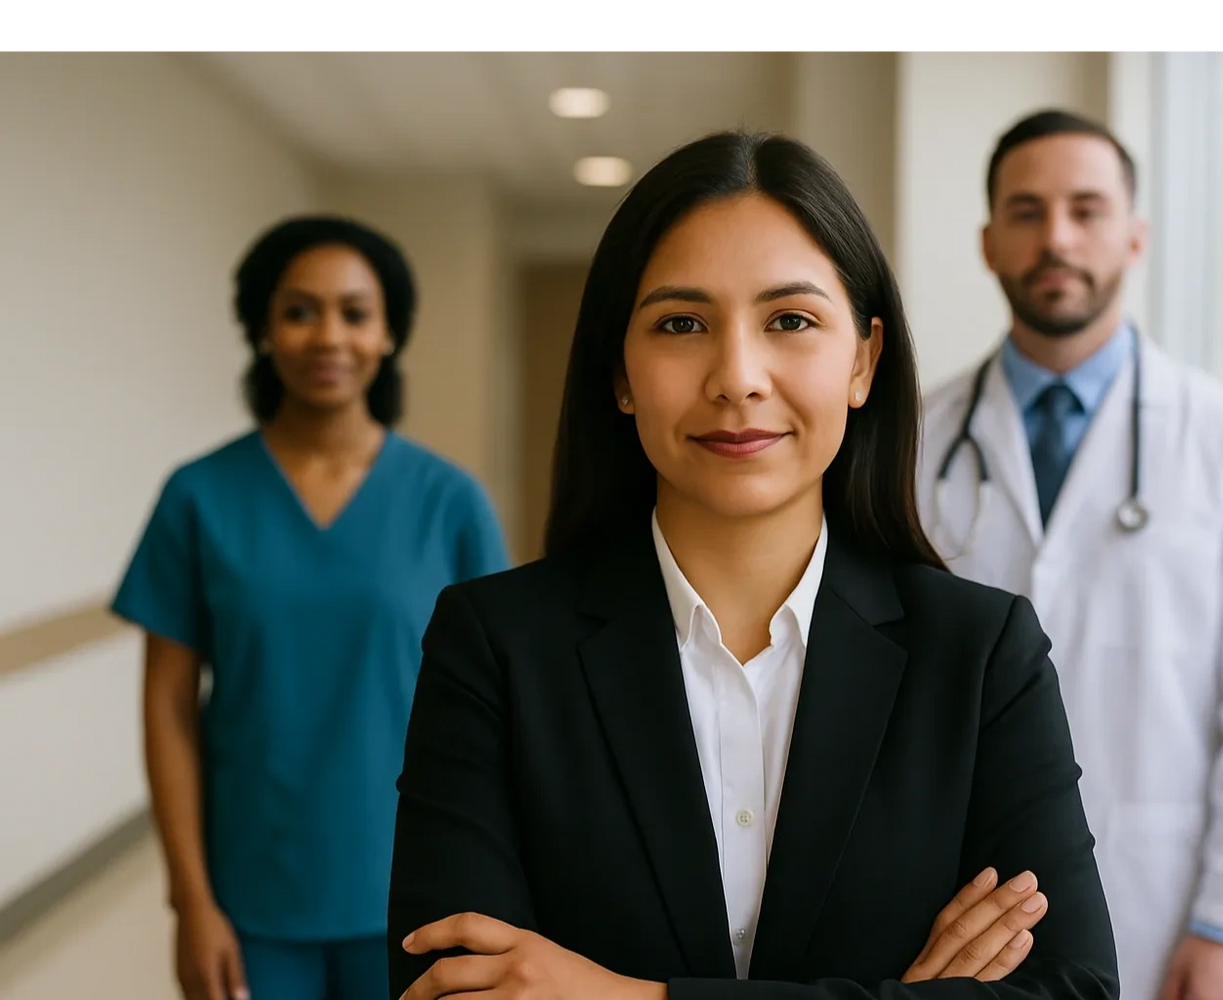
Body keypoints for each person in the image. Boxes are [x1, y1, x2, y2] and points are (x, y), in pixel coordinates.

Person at [386, 131, 1120, 1000]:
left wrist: (634, 998)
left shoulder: (981, 652)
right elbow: (450, 988)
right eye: (681, 324)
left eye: (791, 321)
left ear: (863, 360)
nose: (737, 376)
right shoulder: (494, 646)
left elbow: (1072, 992)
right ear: (619, 373)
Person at [917, 110, 1223, 1000]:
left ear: (1134, 236)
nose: (1056, 237)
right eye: (1026, 212)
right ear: (988, 243)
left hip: (1167, 902)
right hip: (959, 904)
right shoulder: (912, 441)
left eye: (1086, 209)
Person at [112, 216, 511, 1000]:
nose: (329, 335)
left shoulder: (451, 502)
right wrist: (190, 901)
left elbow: (499, 714)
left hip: (419, 890)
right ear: (263, 328)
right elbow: (167, 708)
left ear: (388, 333)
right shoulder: (198, 498)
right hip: (252, 896)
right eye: (300, 311)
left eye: (355, 312)